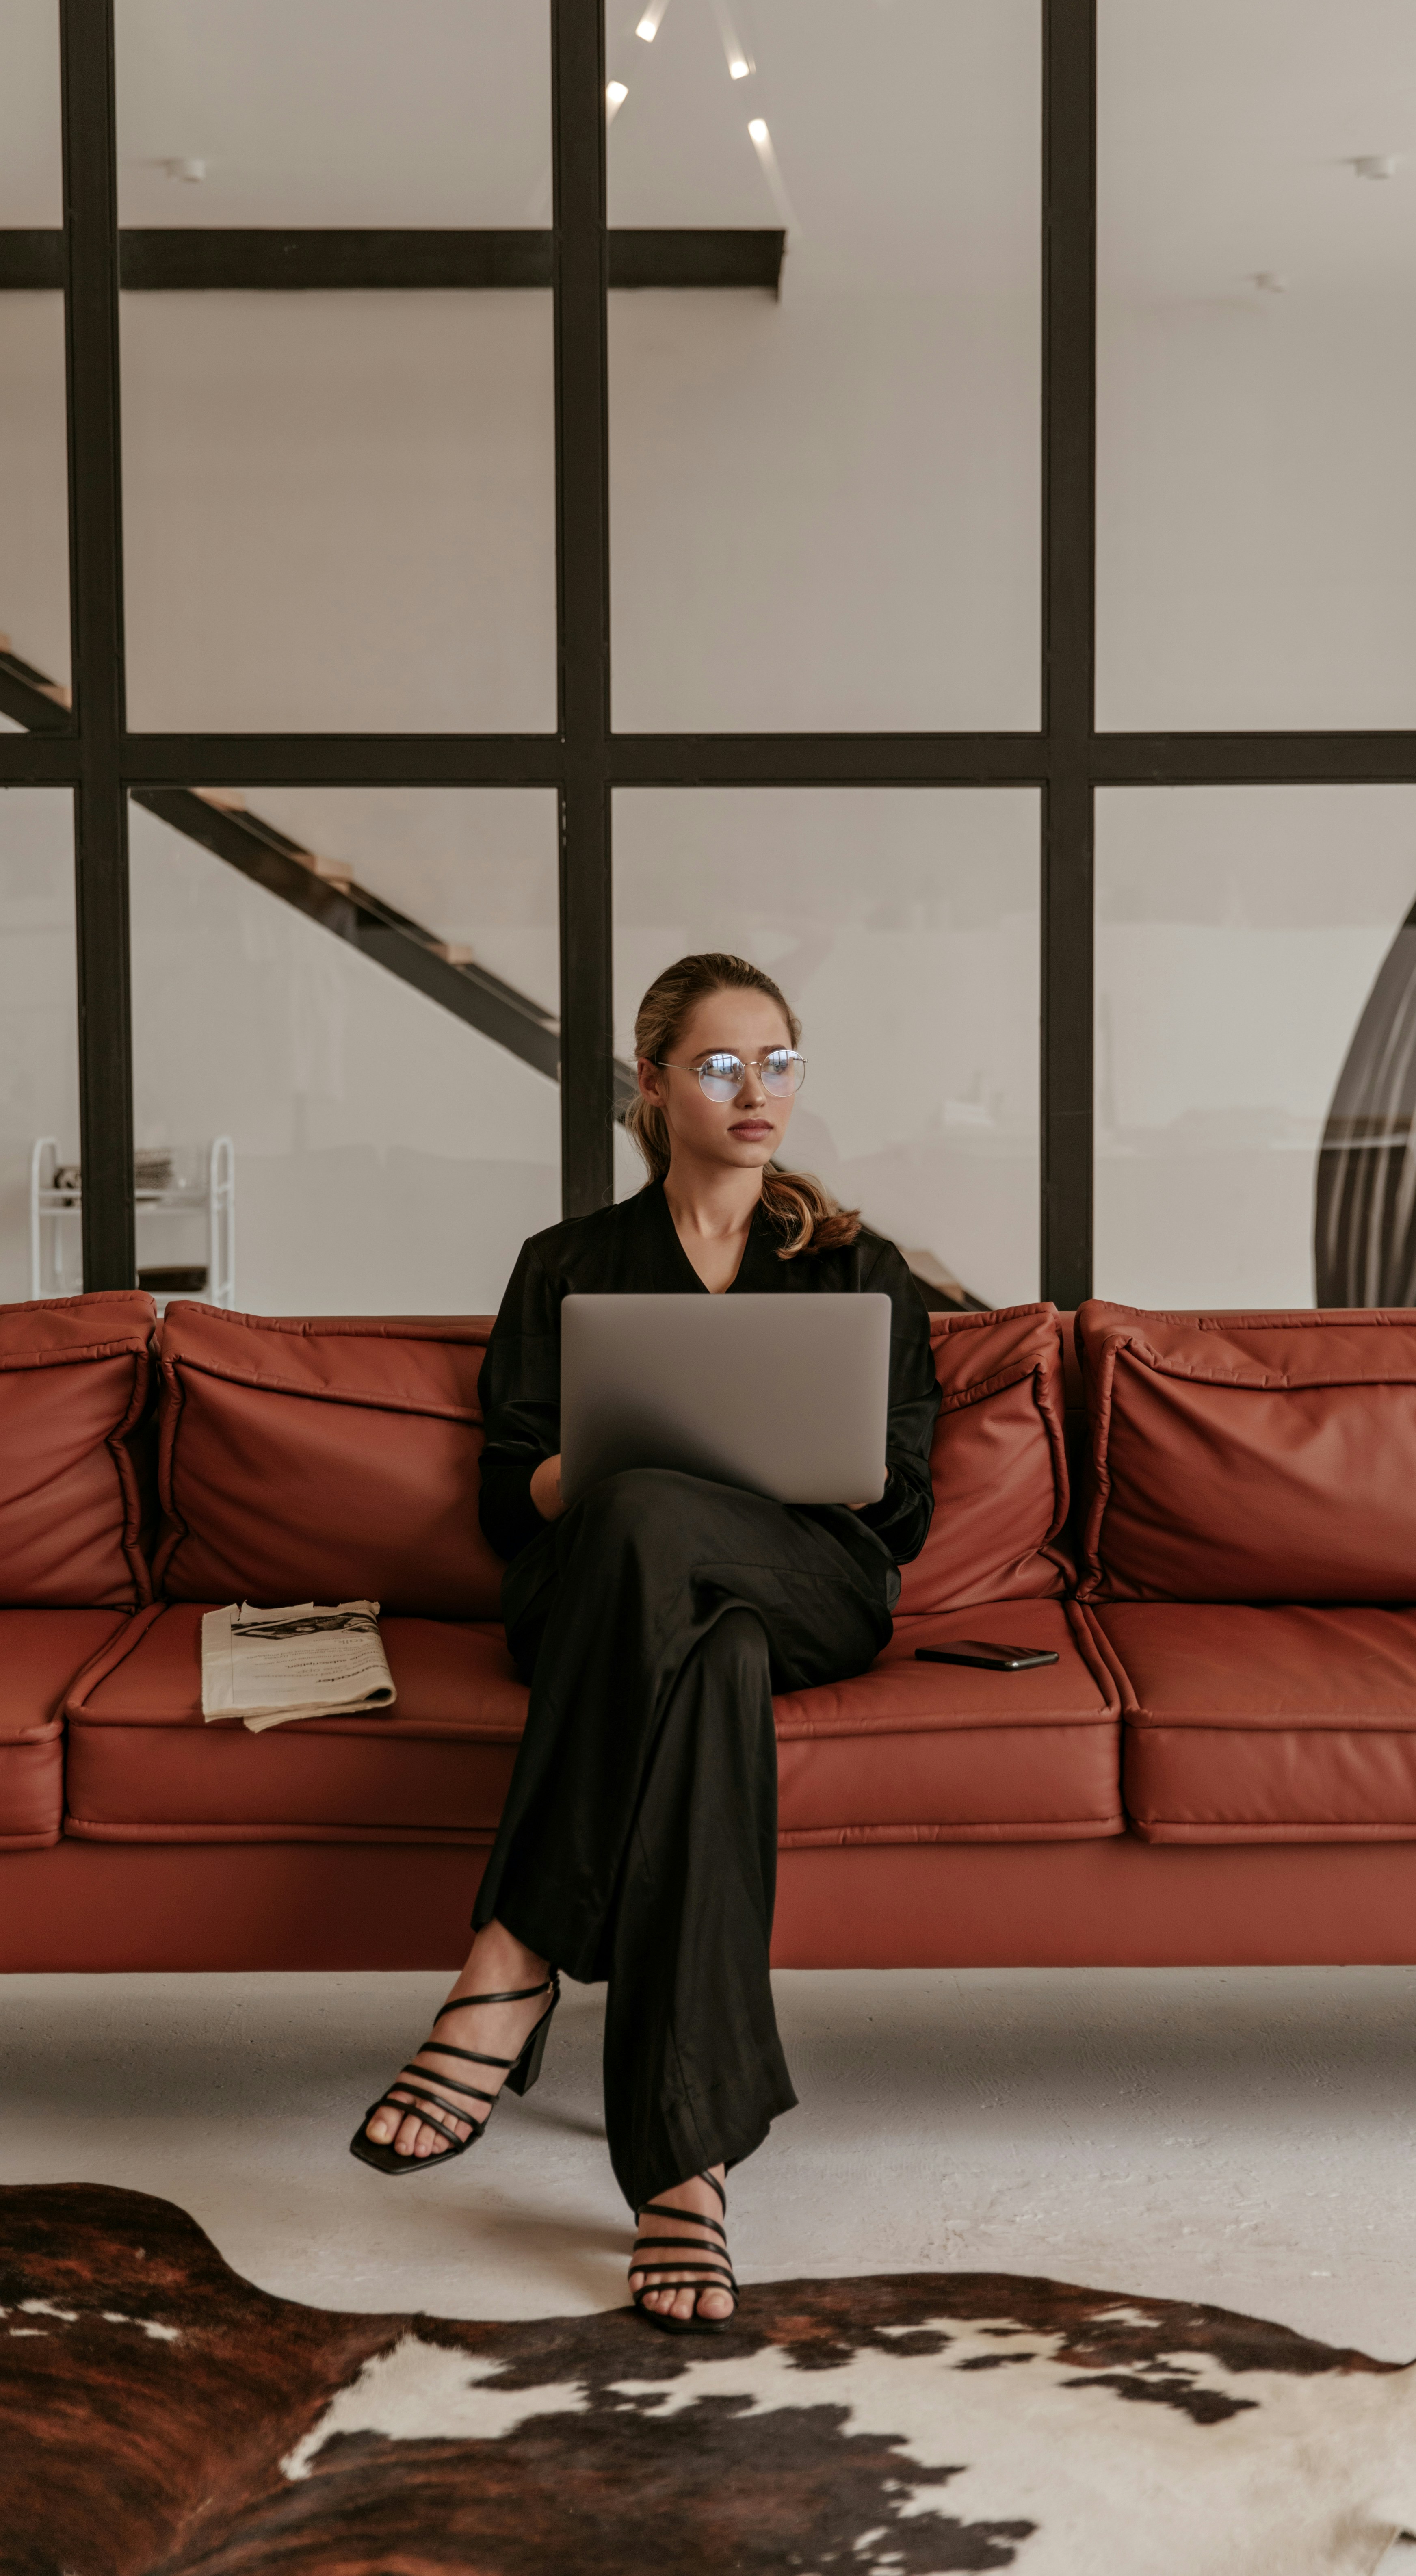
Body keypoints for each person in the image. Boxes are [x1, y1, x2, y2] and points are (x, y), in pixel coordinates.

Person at [350, 950, 938, 2328]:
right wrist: (608, 1476)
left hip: (810, 1582)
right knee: (694, 1638)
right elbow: (512, 1494)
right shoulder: (566, 1266)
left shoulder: (860, 1267)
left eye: (780, 1062)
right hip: (609, 1596)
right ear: (655, 1081)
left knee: (666, 1530)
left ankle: (514, 1953)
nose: (757, 1092)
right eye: (723, 1065)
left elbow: (902, 1504)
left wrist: (758, 1472)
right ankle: (686, 2164)